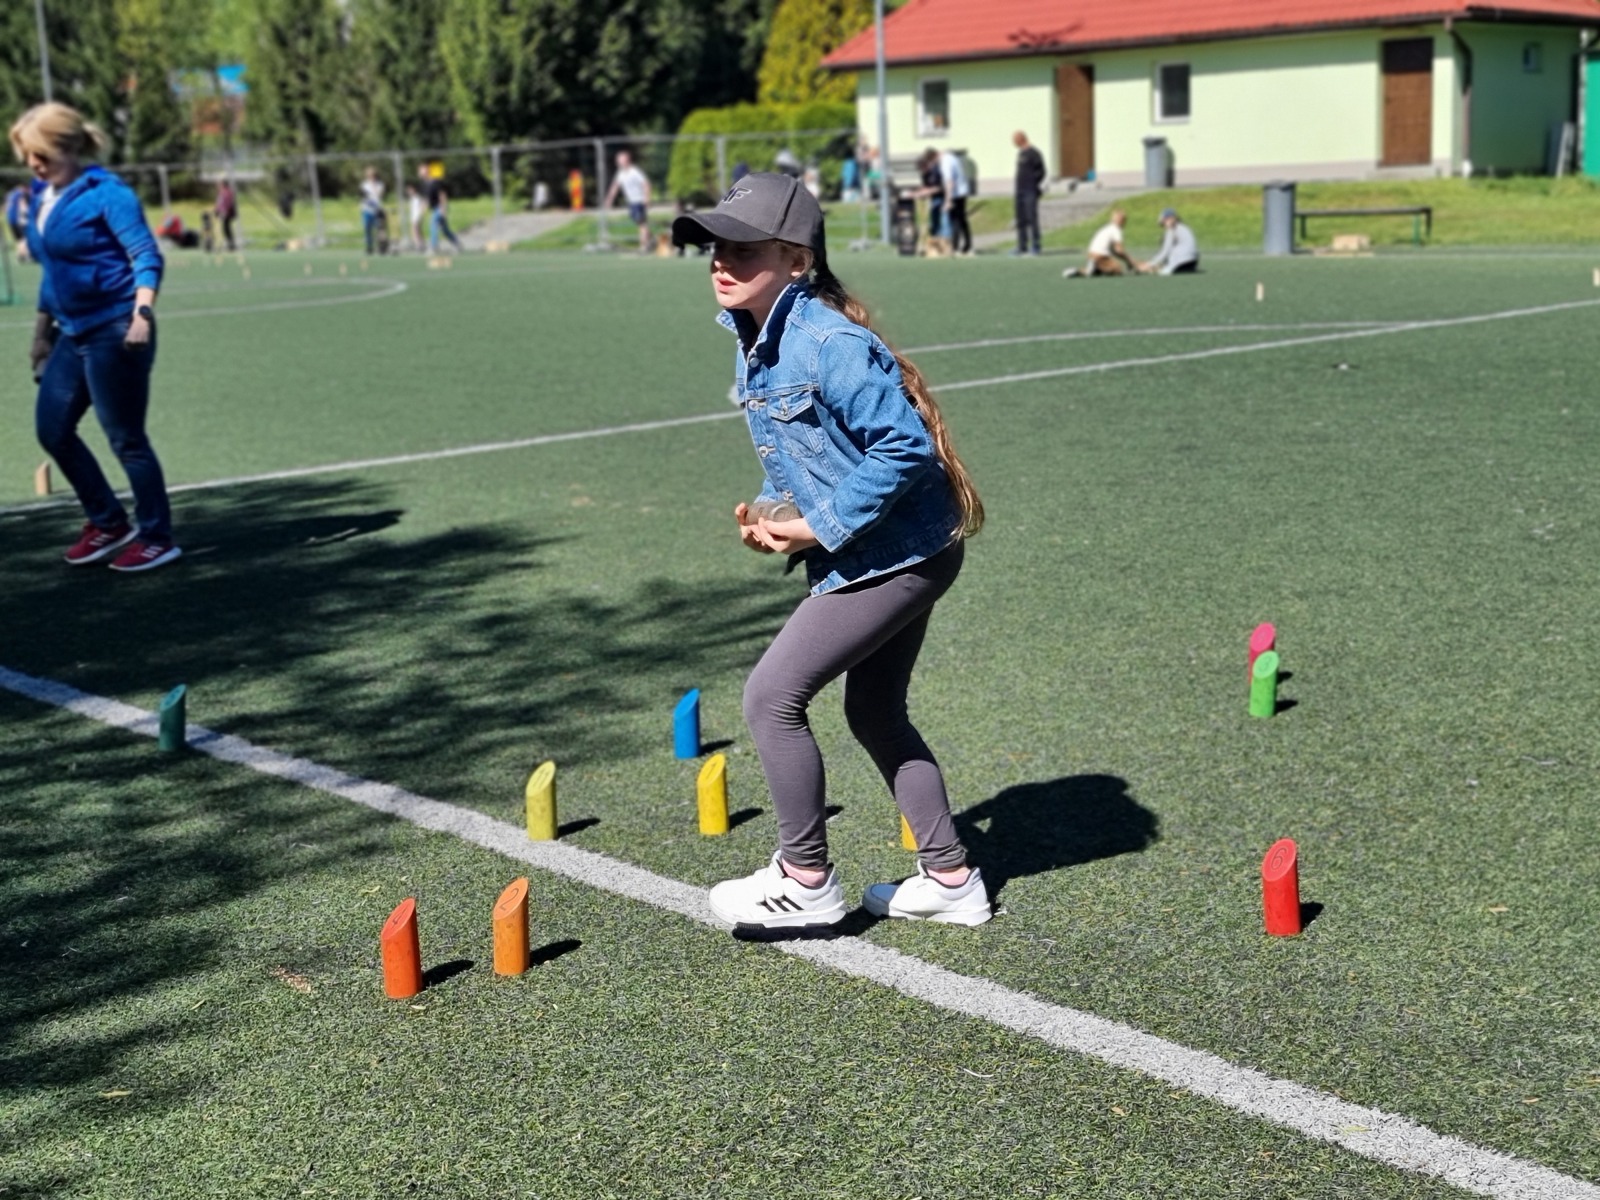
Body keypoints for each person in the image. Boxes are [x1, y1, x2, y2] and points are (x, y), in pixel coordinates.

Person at [671, 173, 992, 931]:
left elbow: (903, 448)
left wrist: (819, 526)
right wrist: (775, 514)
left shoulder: (826, 341)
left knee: (770, 698)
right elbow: (804, 454)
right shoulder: (758, 336)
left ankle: (805, 876)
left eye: (744, 250)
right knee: (875, 710)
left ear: (797, 260)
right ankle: (952, 878)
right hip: (898, 547)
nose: (721, 262)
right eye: (715, 247)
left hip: (898, 554)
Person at [10, 102, 180, 572]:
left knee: (125, 438)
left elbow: (145, 255)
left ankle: (157, 536)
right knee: (52, 429)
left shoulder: (107, 193)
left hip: (117, 328)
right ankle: (108, 522)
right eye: (27, 156)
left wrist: (142, 313)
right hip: (71, 331)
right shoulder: (43, 197)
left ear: (66, 147)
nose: (33, 164)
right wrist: (41, 334)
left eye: (40, 154)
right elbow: (53, 273)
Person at [1064, 208, 1139, 277]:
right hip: (1100, 256)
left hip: (1091, 255)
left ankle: (1083, 270)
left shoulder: (1108, 228)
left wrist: (1129, 261)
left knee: (1096, 271)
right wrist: (1131, 261)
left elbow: (1115, 251)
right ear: (1122, 221)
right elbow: (1119, 250)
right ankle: (1093, 267)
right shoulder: (1116, 229)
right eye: (1124, 220)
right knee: (1117, 269)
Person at [603, 150, 652, 253]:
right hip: (631, 202)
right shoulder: (620, 173)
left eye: (621, 160)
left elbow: (646, 183)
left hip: (639, 201)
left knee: (641, 224)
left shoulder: (635, 171)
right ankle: (651, 240)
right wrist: (609, 200)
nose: (618, 162)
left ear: (627, 160)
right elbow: (615, 186)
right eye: (618, 160)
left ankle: (644, 246)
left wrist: (646, 199)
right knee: (639, 223)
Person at [1012, 131, 1046, 256]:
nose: (1013, 142)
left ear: (1021, 139)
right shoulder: (1020, 153)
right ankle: (1022, 246)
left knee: (1032, 218)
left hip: (1030, 191)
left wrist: (1033, 182)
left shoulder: (1034, 153)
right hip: (1019, 191)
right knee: (1020, 219)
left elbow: (1042, 171)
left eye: (1015, 139)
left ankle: (1036, 245)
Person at [1140, 207, 1200, 275]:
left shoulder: (1171, 229)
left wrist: (1149, 264)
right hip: (1193, 263)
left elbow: (1165, 252)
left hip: (1180, 264)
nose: (1163, 227)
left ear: (1168, 219)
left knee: (1161, 272)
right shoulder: (1184, 228)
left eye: (1163, 224)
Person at [937, 146, 973, 255]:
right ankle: (967, 245)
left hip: (956, 194)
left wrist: (948, 200)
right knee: (962, 220)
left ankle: (955, 246)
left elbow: (950, 182)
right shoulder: (953, 158)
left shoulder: (945, 162)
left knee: (955, 220)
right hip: (962, 191)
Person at [420, 164, 462, 253]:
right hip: (434, 208)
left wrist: (443, 209)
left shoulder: (435, 182)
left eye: (422, 171)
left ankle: (434, 247)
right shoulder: (425, 184)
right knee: (444, 230)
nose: (420, 173)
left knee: (433, 224)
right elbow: (426, 200)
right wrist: (422, 212)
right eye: (420, 171)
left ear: (427, 171)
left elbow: (442, 195)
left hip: (439, 207)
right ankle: (457, 243)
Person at [917, 148, 945, 247]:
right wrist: (920, 192)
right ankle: (934, 242)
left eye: (923, 168)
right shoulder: (924, 174)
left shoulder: (936, 171)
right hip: (933, 199)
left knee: (940, 222)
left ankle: (942, 243)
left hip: (941, 198)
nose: (922, 171)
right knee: (933, 221)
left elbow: (941, 187)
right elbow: (925, 186)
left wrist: (928, 191)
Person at [358, 166, 386, 256]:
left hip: (377, 210)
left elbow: (379, 195)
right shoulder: (364, 185)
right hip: (367, 210)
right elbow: (362, 197)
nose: (372, 178)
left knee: (380, 228)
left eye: (373, 176)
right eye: (370, 176)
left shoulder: (380, 184)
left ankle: (381, 246)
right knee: (367, 228)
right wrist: (362, 208)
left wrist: (373, 188)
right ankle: (369, 247)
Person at [5, 181, 30, 260]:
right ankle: (25, 255)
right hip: (17, 219)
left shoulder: (10, 194)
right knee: (24, 237)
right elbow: (22, 204)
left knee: (18, 238)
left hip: (10, 219)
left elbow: (7, 207)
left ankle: (20, 254)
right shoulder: (20, 194)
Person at [214, 178, 237, 251]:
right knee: (225, 228)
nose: (218, 186)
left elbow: (226, 203)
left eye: (220, 184)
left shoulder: (226, 192)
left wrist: (223, 211)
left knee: (226, 228)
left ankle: (231, 244)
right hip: (224, 212)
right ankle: (230, 244)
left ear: (223, 185)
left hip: (226, 213)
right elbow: (220, 203)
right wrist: (217, 210)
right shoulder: (222, 192)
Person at [405, 182, 425, 251]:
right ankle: (421, 244)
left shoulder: (417, 197)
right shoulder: (411, 198)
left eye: (410, 190)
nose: (409, 192)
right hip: (413, 216)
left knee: (415, 230)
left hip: (417, 216)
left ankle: (419, 245)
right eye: (408, 190)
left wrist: (421, 213)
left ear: (414, 190)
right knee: (417, 230)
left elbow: (423, 205)